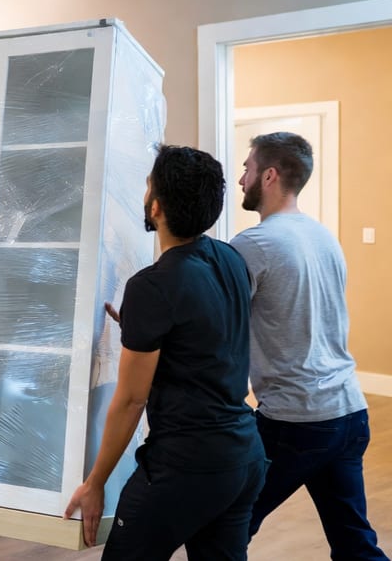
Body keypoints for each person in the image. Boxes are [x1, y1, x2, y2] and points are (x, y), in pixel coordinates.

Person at [64, 145, 266, 560]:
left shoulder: (152, 285)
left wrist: (96, 481)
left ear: (155, 207)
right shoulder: (229, 258)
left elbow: (131, 400)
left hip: (186, 467)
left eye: (147, 186)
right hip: (242, 458)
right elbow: (206, 330)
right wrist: (138, 327)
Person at [230, 132, 388, 559]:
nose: (241, 177)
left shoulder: (253, 245)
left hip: (295, 421)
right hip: (348, 412)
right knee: (354, 541)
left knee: (226, 525)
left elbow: (213, 321)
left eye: (247, 168)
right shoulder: (323, 237)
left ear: (269, 175)